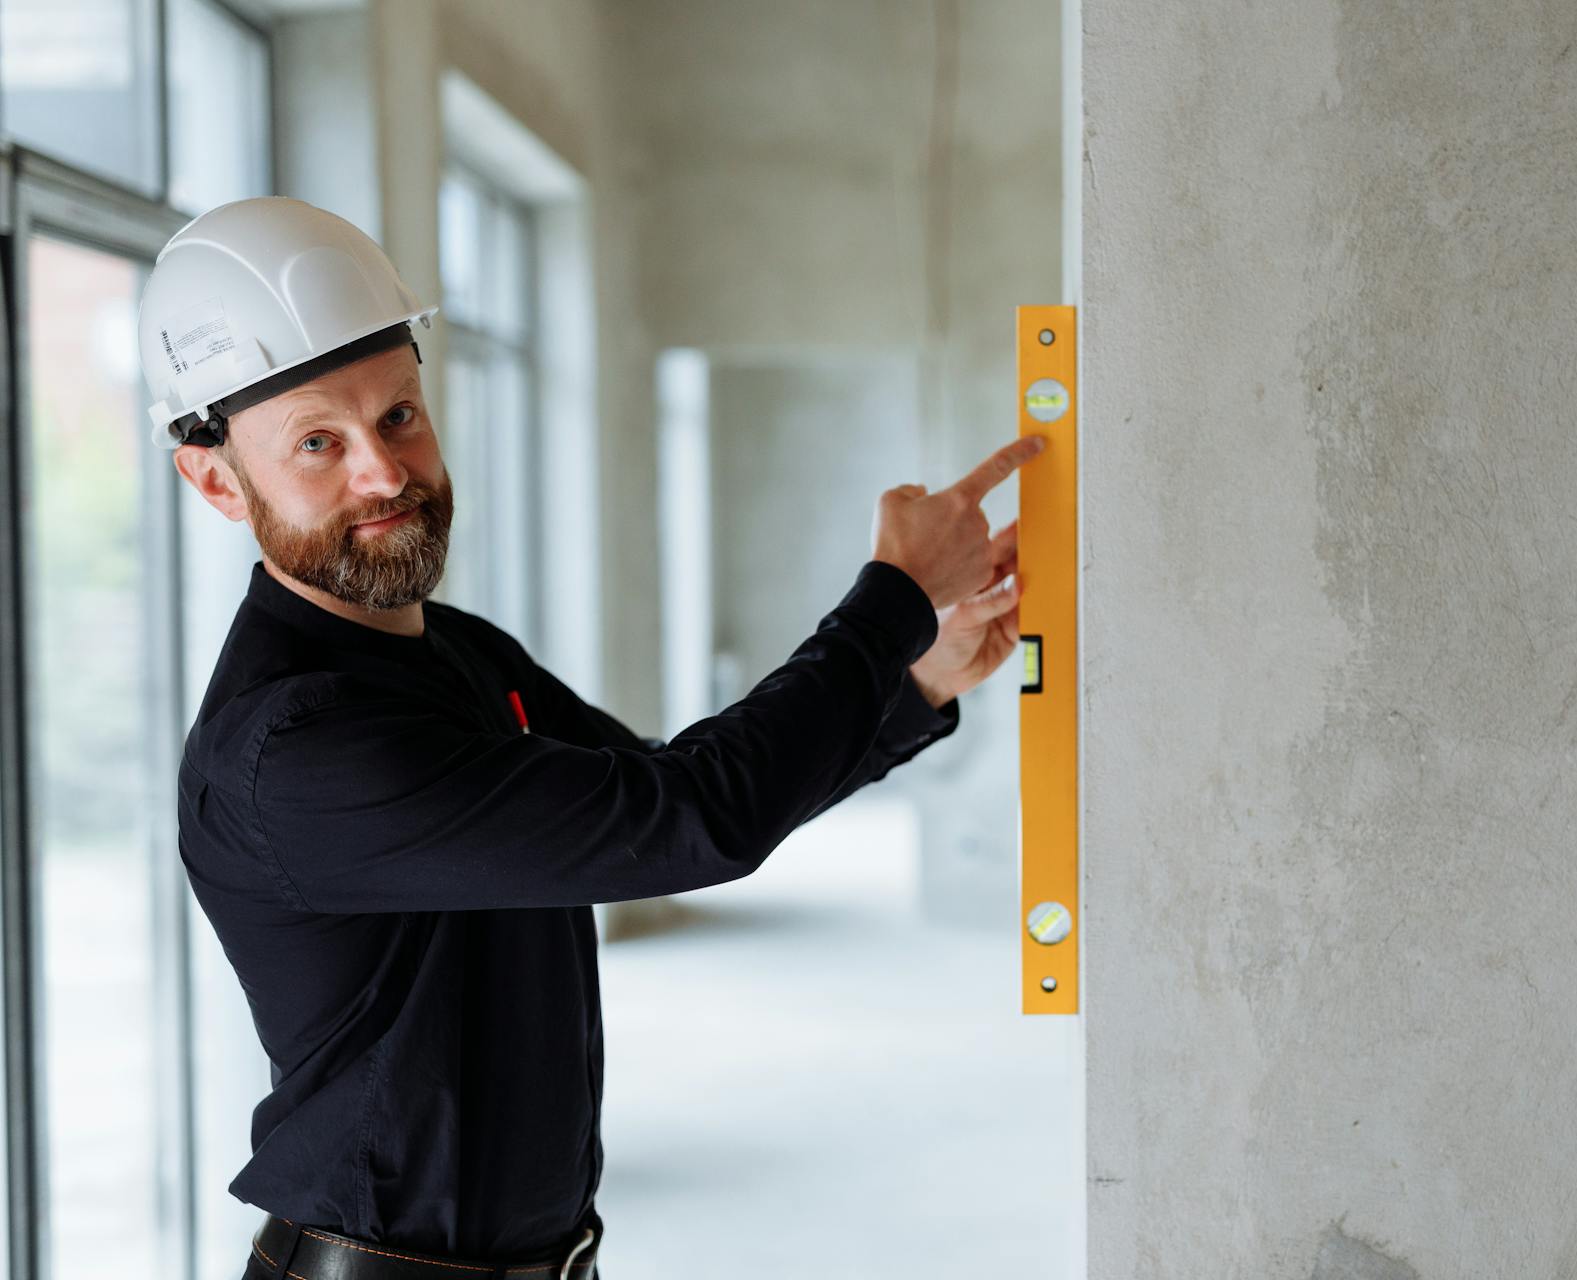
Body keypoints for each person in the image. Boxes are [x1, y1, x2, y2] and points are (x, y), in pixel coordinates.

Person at [138, 196, 1043, 1280]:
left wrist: (914, 681)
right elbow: (699, 818)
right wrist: (888, 602)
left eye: (399, 417)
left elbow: (658, 794)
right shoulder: (295, 747)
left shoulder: (456, 651)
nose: (384, 473)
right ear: (217, 480)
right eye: (318, 443)